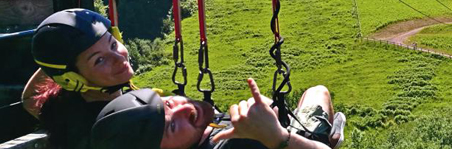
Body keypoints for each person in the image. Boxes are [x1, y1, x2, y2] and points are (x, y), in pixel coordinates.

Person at [91, 78, 346, 149]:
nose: (184, 109)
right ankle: (325, 138)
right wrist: (279, 138)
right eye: (171, 127)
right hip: (296, 143)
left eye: (168, 103)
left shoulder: (201, 132)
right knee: (318, 92)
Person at [20, 8, 135, 149]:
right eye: (99, 60)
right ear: (72, 79)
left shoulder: (67, 110)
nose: (118, 58)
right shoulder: (117, 126)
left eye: (113, 44)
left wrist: (56, 63)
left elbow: (29, 99)